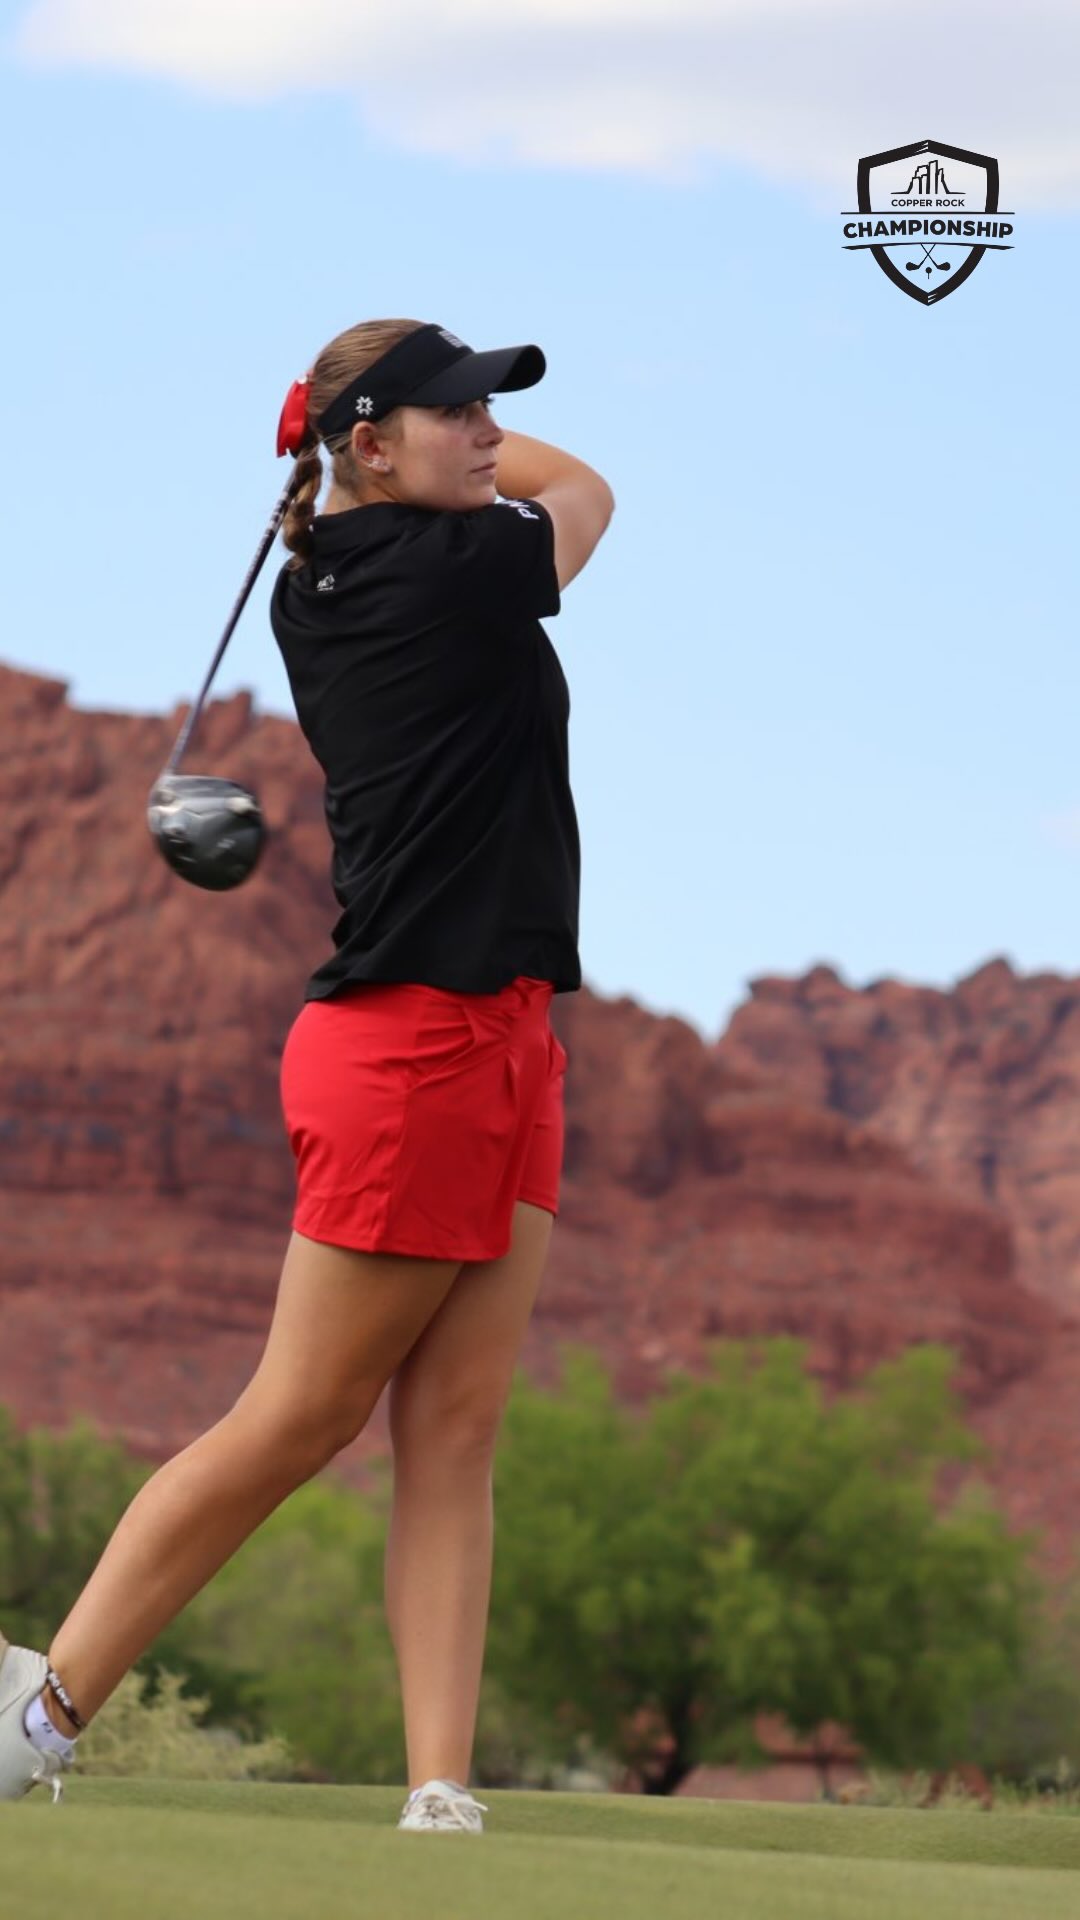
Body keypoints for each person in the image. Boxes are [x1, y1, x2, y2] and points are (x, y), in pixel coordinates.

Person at [0, 317, 615, 1833]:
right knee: (298, 1418)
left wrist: (369, 436)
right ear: (372, 446)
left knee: (456, 1428)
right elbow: (590, 491)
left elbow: (524, 480)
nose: (489, 432)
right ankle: (37, 1715)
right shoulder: (442, 570)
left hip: (507, 1032)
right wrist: (389, 447)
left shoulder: (346, 563)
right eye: (456, 410)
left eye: (491, 408)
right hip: (411, 1045)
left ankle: (438, 1787)